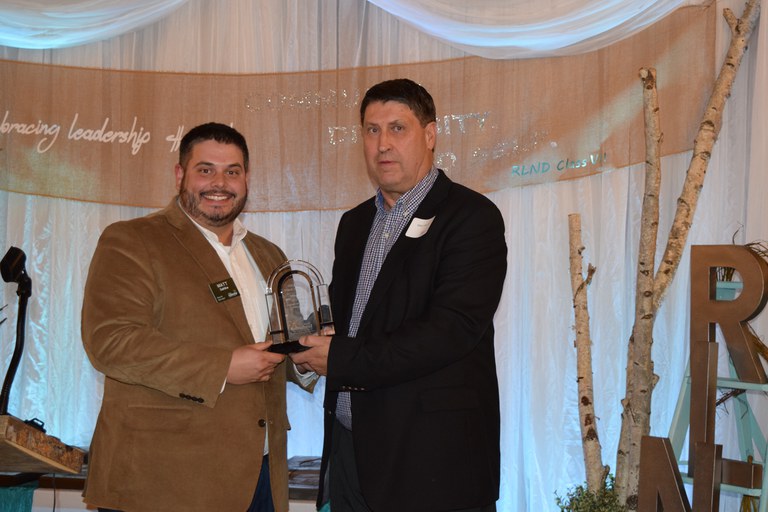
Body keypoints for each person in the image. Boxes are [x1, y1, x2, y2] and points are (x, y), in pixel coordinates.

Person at [291, 79, 508, 512]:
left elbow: (450, 332)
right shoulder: (353, 224)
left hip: (432, 465)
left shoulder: (472, 218)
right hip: (352, 453)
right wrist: (324, 336)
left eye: (397, 128)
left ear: (429, 135)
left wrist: (340, 357)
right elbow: (363, 322)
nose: (383, 144)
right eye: (372, 131)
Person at [81, 122, 315, 512]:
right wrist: (223, 366)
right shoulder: (132, 240)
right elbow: (111, 342)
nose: (219, 183)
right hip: (163, 483)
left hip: (260, 479)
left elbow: (281, 349)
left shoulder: (270, 256)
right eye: (205, 170)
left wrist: (310, 353)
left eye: (232, 171)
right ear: (180, 175)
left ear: (247, 179)